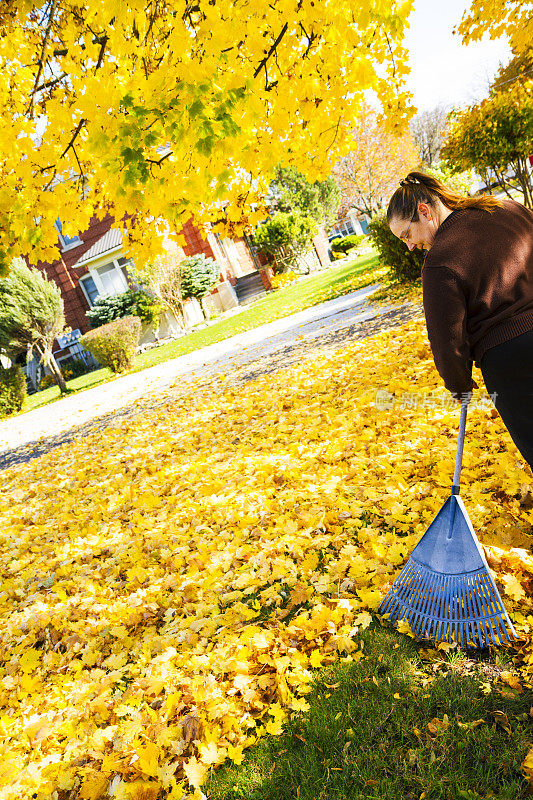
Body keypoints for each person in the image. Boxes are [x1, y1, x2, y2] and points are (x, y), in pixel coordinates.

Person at [387, 171, 533, 473]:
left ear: (424, 212)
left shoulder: (440, 261)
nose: (410, 247)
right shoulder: (508, 209)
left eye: (407, 235)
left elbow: (446, 340)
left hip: (510, 363)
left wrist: (459, 385)